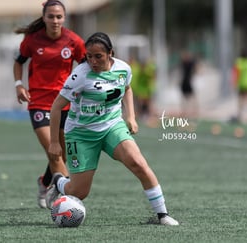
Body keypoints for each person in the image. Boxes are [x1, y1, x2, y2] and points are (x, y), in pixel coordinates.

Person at [45, 32, 179, 226]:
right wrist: (55, 142)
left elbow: (127, 88)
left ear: (110, 54)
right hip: (81, 134)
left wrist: (130, 116)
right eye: (89, 56)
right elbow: (56, 107)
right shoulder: (80, 75)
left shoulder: (123, 68)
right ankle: (58, 180)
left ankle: (162, 215)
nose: (93, 61)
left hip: (111, 127)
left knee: (138, 163)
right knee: (79, 192)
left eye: (98, 56)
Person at [13, 0, 86, 208]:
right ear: (44, 17)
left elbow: (85, 67)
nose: (55, 20)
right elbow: (18, 62)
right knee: (53, 151)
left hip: (66, 103)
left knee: (61, 151)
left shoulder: (74, 41)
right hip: (39, 103)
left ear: (64, 18)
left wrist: (83, 89)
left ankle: (45, 182)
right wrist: (19, 84)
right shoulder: (32, 40)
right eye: (51, 16)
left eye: (59, 16)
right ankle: (68, 199)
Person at [232, 48, 247, 123]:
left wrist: (234, 83)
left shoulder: (239, 62)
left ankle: (240, 115)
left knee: (241, 100)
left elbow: (236, 74)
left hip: (242, 83)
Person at [179, 50, 198, 118]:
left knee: (192, 96)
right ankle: (185, 110)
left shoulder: (191, 63)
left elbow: (195, 69)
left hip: (189, 80)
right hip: (184, 81)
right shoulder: (183, 63)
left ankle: (194, 110)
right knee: (184, 96)